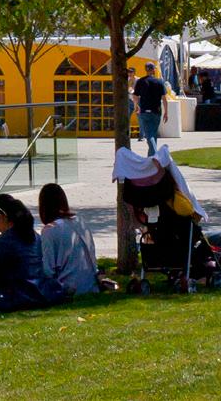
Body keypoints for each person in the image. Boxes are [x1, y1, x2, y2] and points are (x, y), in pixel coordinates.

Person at [113, 146, 201, 286]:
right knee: (189, 233)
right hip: (174, 224)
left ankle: (177, 271)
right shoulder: (165, 189)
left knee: (167, 235)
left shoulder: (134, 190)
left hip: (156, 226)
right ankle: (184, 271)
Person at [33, 182, 99, 296]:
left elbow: (48, 269)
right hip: (90, 284)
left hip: (67, 287)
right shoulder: (79, 221)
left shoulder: (50, 230)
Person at [132, 67, 169, 150]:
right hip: (156, 111)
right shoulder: (159, 82)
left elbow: (135, 96)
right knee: (153, 134)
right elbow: (164, 99)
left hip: (144, 111)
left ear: (146, 70)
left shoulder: (140, 81)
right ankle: (153, 155)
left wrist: (136, 106)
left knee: (149, 135)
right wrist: (166, 112)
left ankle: (153, 154)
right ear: (153, 70)